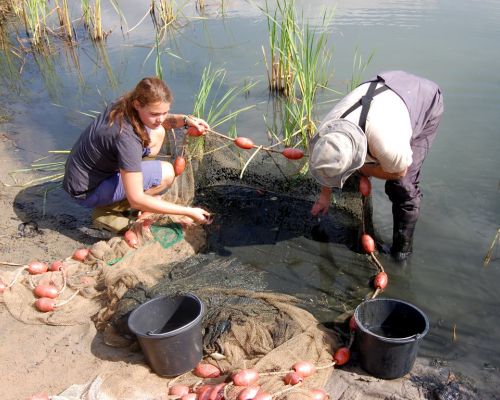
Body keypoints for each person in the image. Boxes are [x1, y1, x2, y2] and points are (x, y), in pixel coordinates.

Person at [308, 70, 444, 261]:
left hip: (422, 101)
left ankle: (402, 253)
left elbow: (399, 171)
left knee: (402, 187)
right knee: (351, 174)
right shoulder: (324, 134)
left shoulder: (388, 145)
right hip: (387, 85)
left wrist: (363, 169)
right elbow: (326, 164)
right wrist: (325, 195)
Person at [63, 76, 212, 233]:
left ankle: (127, 190)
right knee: (167, 173)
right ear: (137, 105)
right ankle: (107, 211)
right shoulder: (126, 137)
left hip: (82, 177)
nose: (160, 118)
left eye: (165, 112)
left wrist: (186, 120)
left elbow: (161, 121)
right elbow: (136, 199)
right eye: (155, 114)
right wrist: (189, 211)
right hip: (87, 192)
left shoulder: (125, 103)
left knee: (158, 132)